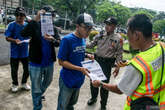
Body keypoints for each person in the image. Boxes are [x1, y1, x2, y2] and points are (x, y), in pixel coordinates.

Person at [92, 14, 165, 110]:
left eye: (128, 34)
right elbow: (151, 62)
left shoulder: (136, 66)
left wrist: (100, 84)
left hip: (139, 106)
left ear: (136, 35)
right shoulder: (162, 46)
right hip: (159, 104)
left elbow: (119, 89)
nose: (128, 39)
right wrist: (127, 61)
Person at [21, 5, 60, 110]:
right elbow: (23, 33)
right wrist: (35, 19)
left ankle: (37, 95)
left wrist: (52, 39)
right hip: (35, 63)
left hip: (49, 63)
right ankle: (37, 107)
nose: (52, 17)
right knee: (36, 87)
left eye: (53, 15)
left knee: (48, 81)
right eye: (49, 14)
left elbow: (58, 43)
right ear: (43, 15)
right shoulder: (35, 25)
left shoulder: (53, 28)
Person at [57, 13, 94, 110]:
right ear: (77, 26)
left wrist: (87, 55)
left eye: (90, 28)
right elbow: (61, 61)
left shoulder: (83, 39)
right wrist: (80, 68)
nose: (88, 31)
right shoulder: (67, 40)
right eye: (86, 28)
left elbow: (77, 51)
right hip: (67, 79)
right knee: (62, 106)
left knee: (71, 104)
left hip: (79, 79)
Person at [86, 17, 123, 110]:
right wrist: (81, 42)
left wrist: (117, 67)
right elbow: (91, 45)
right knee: (93, 82)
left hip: (106, 64)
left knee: (104, 85)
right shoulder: (100, 34)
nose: (107, 26)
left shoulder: (118, 38)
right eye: (106, 24)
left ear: (114, 26)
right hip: (96, 62)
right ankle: (93, 98)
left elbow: (119, 54)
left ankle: (103, 105)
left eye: (109, 24)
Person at [4, 7, 30, 92]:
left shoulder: (27, 25)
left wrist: (30, 39)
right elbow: (7, 38)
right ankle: (15, 84)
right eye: (17, 15)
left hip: (25, 52)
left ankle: (24, 83)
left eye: (22, 15)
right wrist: (14, 40)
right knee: (14, 69)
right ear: (15, 16)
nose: (19, 17)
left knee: (27, 69)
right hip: (15, 52)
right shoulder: (11, 25)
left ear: (24, 16)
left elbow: (30, 36)